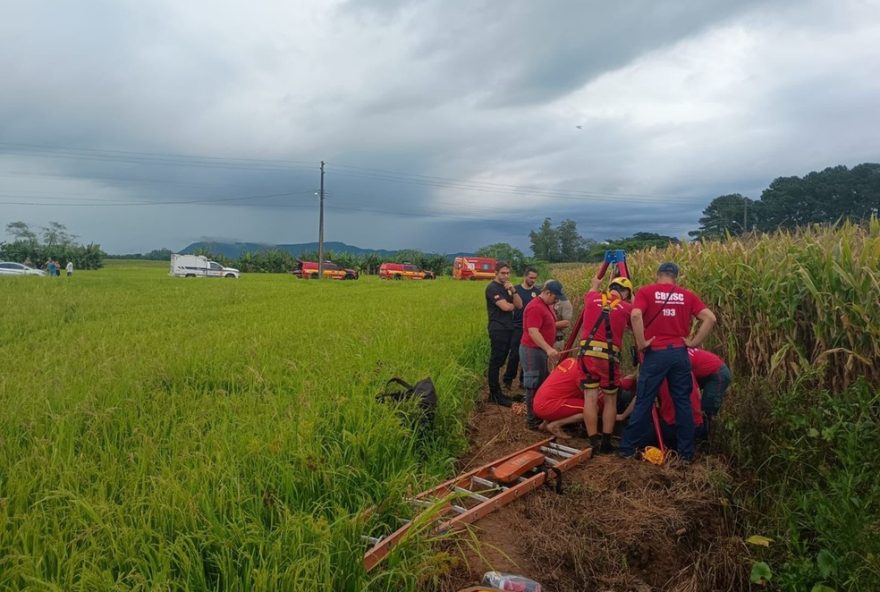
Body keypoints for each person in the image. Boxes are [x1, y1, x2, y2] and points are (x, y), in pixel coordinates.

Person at [620, 262, 716, 462]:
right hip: (679, 354)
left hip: (656, 353)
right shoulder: (687, 295)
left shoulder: (646, 292)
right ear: (676, 277)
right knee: (683, 402)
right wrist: (694, 342)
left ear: (658, 275)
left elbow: (636, 314)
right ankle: (686, 454)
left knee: (644, 401)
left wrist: (641, 343)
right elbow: (710, 318)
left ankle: (627, 449)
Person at [577, 274, 633, 452]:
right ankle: (607, 442)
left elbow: (593, 288)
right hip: (608, 359)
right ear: (625, 294)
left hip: (586, 355)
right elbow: (638, 320)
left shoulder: (592, 298)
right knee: (610, 400)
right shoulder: (627, 307)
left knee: (590, 397)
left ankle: (593, 440)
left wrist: (595, 283)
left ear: (610, 289)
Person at [520, 279, 565, 429]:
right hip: (532, 350)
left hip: (540, 350)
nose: (556, 300)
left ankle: (540, 415)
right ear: (546, 292)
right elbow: (533, 332)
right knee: (533, 383)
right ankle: (532, 421)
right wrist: (548, 349)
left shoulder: (547, 305)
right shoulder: (535, 307)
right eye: (555, 297)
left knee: (542, 383)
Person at [485, 262, 523, 406]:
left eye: (508, 273)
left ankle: (497, 392)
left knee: (501, 361)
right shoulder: (492, 288)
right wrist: (512, 306)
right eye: (503, 273)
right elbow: (506, 307)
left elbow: (519, 305)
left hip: (508, 328)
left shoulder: (506, 287)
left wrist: (513, 290)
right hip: (498, 328)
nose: (506, 276)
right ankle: (494, 394)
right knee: (495, 362)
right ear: (496, 273)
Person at [503, 267, 539, 391]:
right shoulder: (516, 290)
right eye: (531, 277)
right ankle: (508, 379)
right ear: (525, 276)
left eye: (535, 278)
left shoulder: (537, 292)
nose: (533, 280)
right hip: (517, 327)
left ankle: (523, 380)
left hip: (531, 329)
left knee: (527, 355)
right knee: (514, 355)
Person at [688, 348, 731, 426]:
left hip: (718, 373)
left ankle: (708, 433)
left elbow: (695, 389)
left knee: (707, 409)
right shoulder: (678, 352)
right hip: (705, 372)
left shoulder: (683, 358)